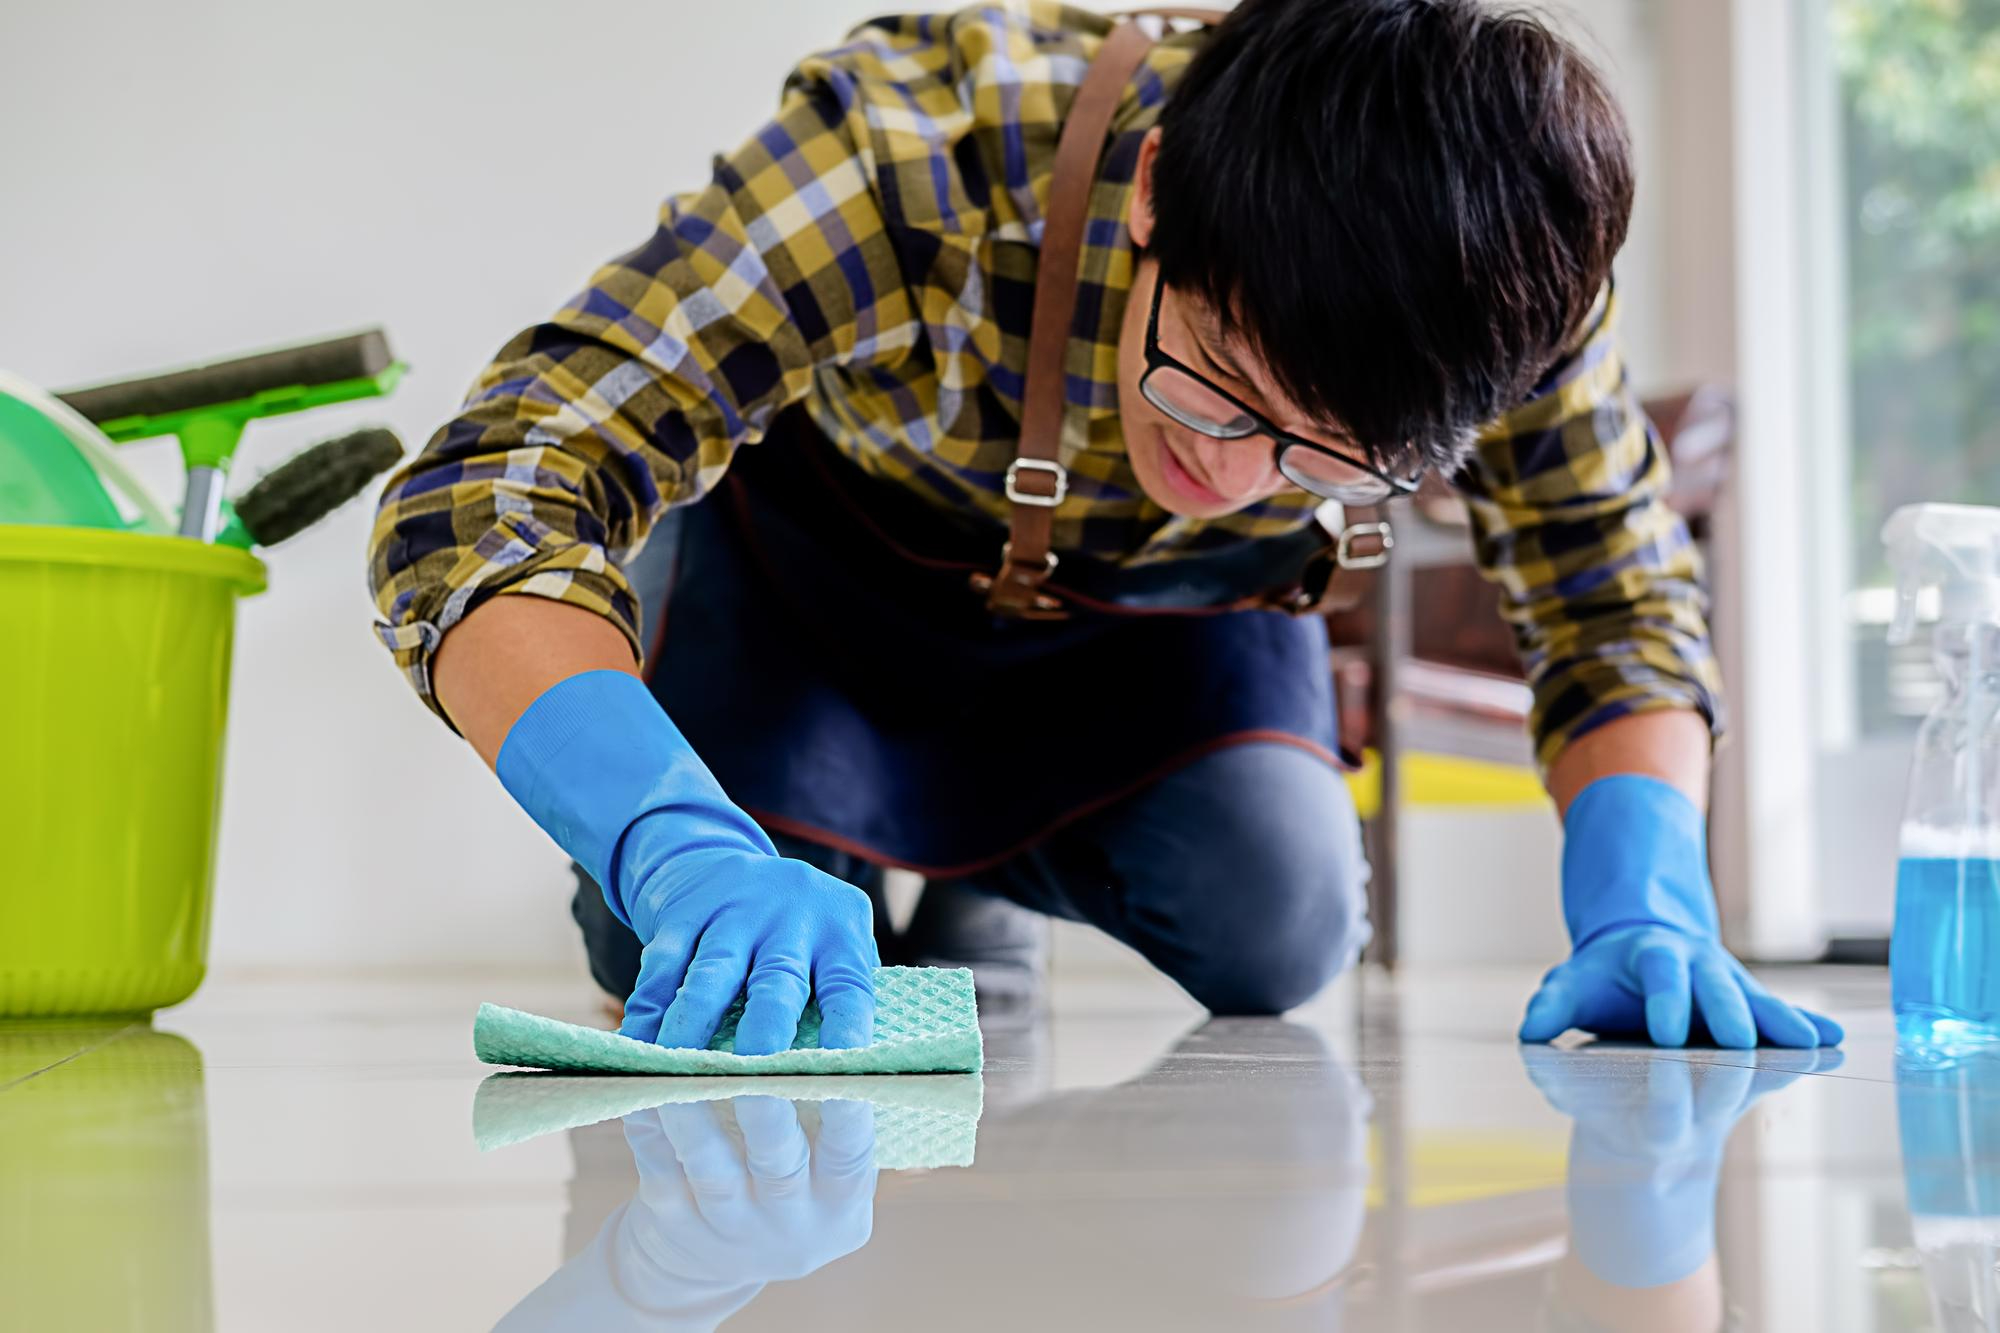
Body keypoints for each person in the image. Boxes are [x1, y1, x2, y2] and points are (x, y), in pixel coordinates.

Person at [368, 0, 1841, 1053]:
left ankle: (972, 883)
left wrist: (1648, 897)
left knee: (1283, 929)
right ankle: (782, 851)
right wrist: (668, 839)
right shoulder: (906, 155)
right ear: (1151, 195)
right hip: (823, 596)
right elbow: (486, 488)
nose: (1237, 471)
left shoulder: (1507, 290)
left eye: (1326, 457)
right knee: (690, 954)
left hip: (1152, 640)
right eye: (1216, 382)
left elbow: (1611, 596)